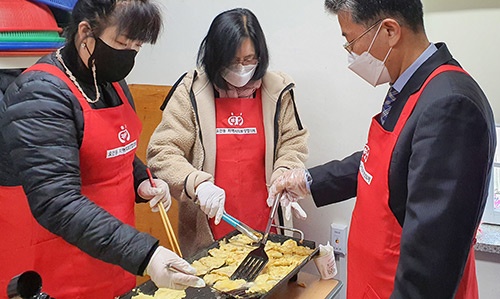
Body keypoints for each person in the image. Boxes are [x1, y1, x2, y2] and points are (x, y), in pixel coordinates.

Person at [267, 0, 496, 298]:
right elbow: (381, 162)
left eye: (351, 41)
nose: (351, 54)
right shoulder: (411, 85)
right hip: (374, 284)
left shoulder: (450, 105)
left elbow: (431, 260)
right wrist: (307, 179)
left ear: (389, 31)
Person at [0, 1, 204, 298]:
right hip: (61, 261)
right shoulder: (40, 92)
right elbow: (56, 200)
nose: (130, 54)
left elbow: (112, 149)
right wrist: (147, 254)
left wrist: (142, 180)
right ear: (85, 32)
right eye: (122, 42)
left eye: (137, 45)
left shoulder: (111, 82)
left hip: (115, 255)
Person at [147, 8, 309, 258]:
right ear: (215, 57)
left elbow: (293, 142)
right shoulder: (192, 91)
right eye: (233, 61)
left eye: (249, 59)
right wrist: (196, 185)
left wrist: (284, 174)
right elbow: (162, 152)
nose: (242, 68)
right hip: (207, 231)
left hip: (267, 227)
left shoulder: (276, 90)